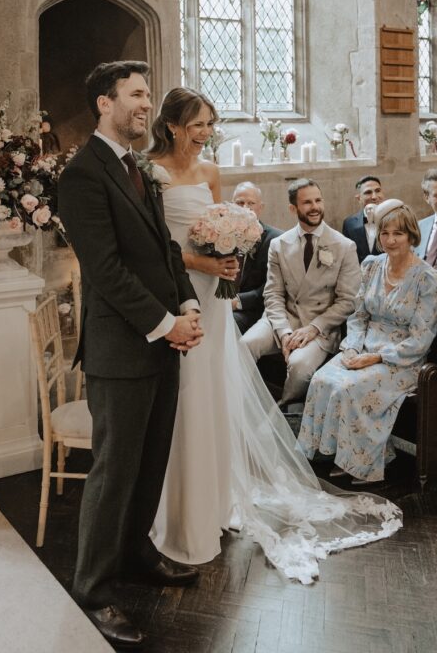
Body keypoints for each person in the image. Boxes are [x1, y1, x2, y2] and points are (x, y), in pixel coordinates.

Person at [148, 89, 402, 584]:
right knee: (184, 397)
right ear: (174, 124)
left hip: (213, 296)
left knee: (214, 393)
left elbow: (213, 228)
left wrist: (227, 251)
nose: (205, 133)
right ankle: (178, 504)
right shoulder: (150, 171)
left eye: (211, 124)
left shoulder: (210, 172)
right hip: (177, 290)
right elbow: (153, 246)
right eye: (198, 124)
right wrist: (204, 261)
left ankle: (216, 500)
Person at [58, 61, 203, 649]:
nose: (146, 104)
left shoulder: (136, 164)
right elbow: (107, 270)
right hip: (122, 351)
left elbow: (165, 248)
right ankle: (91, 590)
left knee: (151, 462)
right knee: (114, 471)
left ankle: (138, 553)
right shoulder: (83, 174)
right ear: (104, 102)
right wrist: (165, 323)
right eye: (137, 95)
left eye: (147, 95)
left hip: (164, 341)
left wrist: (188, 303)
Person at [298, 200, 437, 483]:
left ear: (411, 235)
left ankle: (362, 462)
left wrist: (376, 357)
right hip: (363, 345)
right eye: (385, 233)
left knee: (349, 388)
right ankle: (331, 450)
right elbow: (358, 315)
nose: (390, 240)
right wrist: (352, 346)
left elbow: (422, 338)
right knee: (322, 379)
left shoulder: (428, 279)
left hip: (402, 359)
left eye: (397, 234)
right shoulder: (372, 265)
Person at [242, 179, 361, 405]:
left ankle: (281, 411)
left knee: (299, 365)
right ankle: (249, 406)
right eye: (307, 202)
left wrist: (314, 328)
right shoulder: (279, 244)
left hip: (319, 326)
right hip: (281, 319)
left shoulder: (344, 246)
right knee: (244, 346)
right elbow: (273, 294)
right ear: (293, 208)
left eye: (318, 200)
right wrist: (284, 332)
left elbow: (348, 301)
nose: (314, 207)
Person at [230, 181, 282, 333]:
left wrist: (237, 302)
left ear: (261, 207)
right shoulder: (220, 235)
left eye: (251, 203)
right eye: (240, 202)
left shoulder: (275, 240)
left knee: (229, 324)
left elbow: (274, 286)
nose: (245, 207)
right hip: (222, 304)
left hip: (254, 310)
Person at [342, 175, 386, 262]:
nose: (374, 197)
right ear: (359, 198)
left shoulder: (395, 219)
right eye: (368, 192)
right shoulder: (349, 223)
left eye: (378, 191)